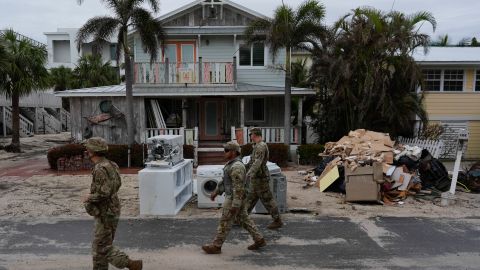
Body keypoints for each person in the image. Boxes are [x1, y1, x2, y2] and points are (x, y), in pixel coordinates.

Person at [82, 137, 143, 270]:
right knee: (102, 245)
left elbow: (105, 192)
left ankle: (131, 264)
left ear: (93, 151)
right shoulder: (111, 164)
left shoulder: (99, 169)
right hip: (112, 209)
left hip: (105, 212)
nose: (86, 151)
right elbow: (116, 185)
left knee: (102, 247)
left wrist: (89, 197)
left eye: (88, 149)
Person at [202, 141, 266, 254]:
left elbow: (238, 188)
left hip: (233, 198)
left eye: (226, 151)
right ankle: (259, 239)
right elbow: (226, 181)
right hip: (235, 197)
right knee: (244, 220)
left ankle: (216, 246)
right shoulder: (231, 164)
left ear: (233, 152)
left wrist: (235, 205)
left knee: (225, 221)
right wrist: (216, 192)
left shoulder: (236, 166)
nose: (224, 153)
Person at [244, 128, 283, 229]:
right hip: (256, 178)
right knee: (250, 198)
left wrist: (249, 173)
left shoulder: (261, 146)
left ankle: (277, 220)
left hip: (261, 179)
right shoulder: (256, 146)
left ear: (255, 134)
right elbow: (253, 161)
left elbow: (258, 162)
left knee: (268, 200)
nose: (250, 136)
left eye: (250, 134)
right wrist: (245, 167)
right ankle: (242, 218)